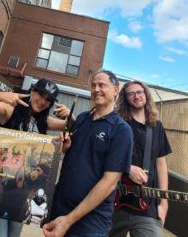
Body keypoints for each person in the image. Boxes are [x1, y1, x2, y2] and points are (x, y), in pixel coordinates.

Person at [0, 78, 68, 237]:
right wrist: (0, 95)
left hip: (20, 191)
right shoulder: (10, 110)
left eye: (48, 100)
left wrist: (69, 115)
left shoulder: (42, 122)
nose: (42, 101)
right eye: (40, 94)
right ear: (31, 91)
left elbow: (74, 125)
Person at [42, 70, 133, 237]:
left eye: (102, 85)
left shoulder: (121, 130)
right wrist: (65, 147)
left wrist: (69, 220)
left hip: (90, 224)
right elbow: (78, 157)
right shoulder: (83, 119)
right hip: (59, 210)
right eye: (93, 85)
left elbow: (109, 183)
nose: (96, 89)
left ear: (115, 90)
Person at [109, 80, 172, 237]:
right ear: (125, 98)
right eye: (131, 93)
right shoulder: (118, 122)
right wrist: (127, 168)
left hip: (147, 204)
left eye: (139, 92)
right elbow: (103, 153)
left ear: (146, 95)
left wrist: (163, 202)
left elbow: (161, 164)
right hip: (114, 199)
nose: (136, 96)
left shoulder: (156, 126)